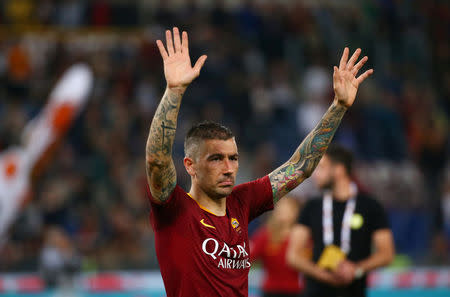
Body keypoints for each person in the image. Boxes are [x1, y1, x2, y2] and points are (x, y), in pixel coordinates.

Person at [145, 27, 373, 297]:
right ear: (190, 165)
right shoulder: (175, 209)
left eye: (233, 158)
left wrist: (339, 106)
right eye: (216, 159)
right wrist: (174, 90)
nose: (229, 168)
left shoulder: (242, 202)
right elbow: (157, 161)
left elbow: (300, 168)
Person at [286, 145, 395, 297]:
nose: (315, 174)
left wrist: (356, 269)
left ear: (339, 170)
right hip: (315, 291)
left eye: (321, 168)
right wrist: (323, 275)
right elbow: (293, 255)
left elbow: (386, 254)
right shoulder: (311, 206)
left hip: (353, 291)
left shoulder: (370, 206)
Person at [250, 196, 304, 297]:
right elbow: (248, 257)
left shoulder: (303, 235)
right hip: (272, 290)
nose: (284, 212)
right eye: (281, 208)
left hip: (296, 290)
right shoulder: (265, 235)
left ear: (297, 212)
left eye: (289, 209)